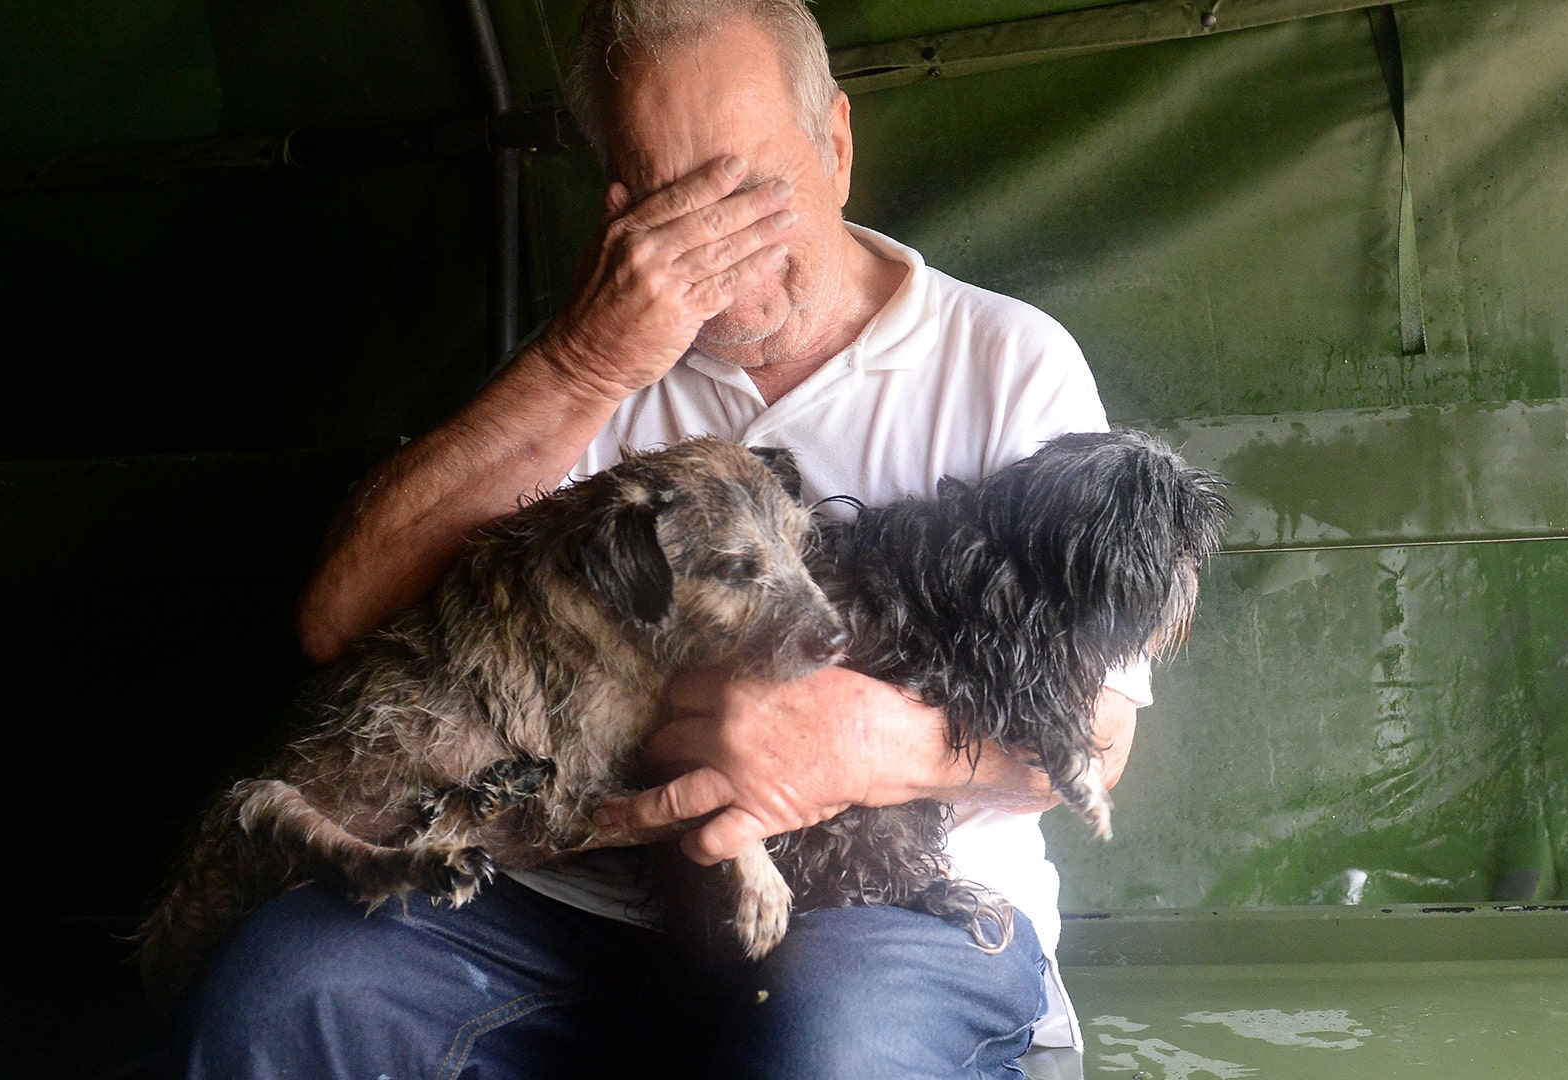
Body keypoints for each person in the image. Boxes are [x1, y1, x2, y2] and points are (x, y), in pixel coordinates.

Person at [176, 2, 1145, 1076]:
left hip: (887, 902)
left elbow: (1096, 741)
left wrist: (862, 748)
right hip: (568, 898)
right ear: (618, 206)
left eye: (748, 186)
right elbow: (336, 619)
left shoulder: (1005, 361)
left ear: (835, 145)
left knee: (832, 1046)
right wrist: (584, 363)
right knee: (280, 991)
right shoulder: (596, 350)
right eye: (668, 201)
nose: (713, 249)